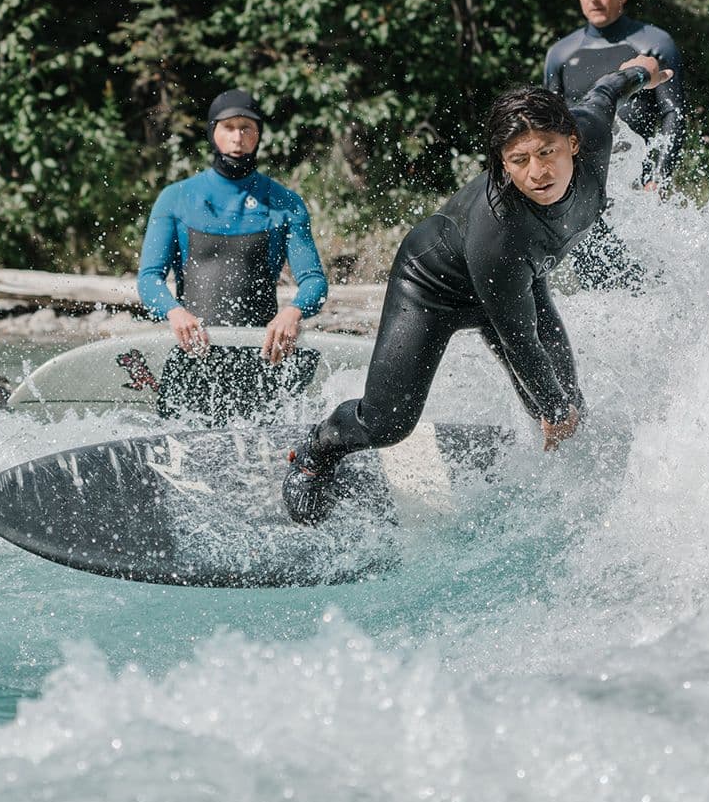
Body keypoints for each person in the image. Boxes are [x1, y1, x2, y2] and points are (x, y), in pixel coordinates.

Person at [281, 59, 670, 525]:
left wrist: (643, 72)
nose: (537, 173)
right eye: (519, 161)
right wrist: (551, 409)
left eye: (547, 152)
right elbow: (518, 338)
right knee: (387, 424)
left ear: (572, 142)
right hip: (432, 288)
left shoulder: (592, 132)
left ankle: (569, 506)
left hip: (520, 282)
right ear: (503, 164)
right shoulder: (499, 229)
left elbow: (607, 89)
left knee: (570, 403)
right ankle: (315, 451)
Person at [137, 90, 328, 366]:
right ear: (213, 132)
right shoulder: (176, 198)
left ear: (258, 135)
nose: (237, 138)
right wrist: (173, 312)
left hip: (263, 357)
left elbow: (314, 281)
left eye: (246, 128)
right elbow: (149, 278)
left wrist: (293, 312)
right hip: (192, 356)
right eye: (228, 128)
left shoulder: (286, 203)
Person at [543, 0, 684, 290]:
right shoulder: (561, 54)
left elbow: (673, 114)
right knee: (596, 285)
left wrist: (657, 176)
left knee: (648, 281)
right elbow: (549, 130)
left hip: (635, 183)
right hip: (584, 187)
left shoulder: (654, 44)